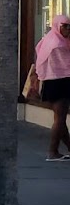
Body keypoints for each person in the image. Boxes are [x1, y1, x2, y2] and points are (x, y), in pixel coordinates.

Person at [35, 13, 70, 161]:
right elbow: (65, 65)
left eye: (69, 26)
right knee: (60, 119)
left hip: (50, 82)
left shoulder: (48, 39)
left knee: (59, 118)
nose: (67, 30)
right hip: (60, 82)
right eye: (65, 26)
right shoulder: (59, 45)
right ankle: (52, 152)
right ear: (58, 26)